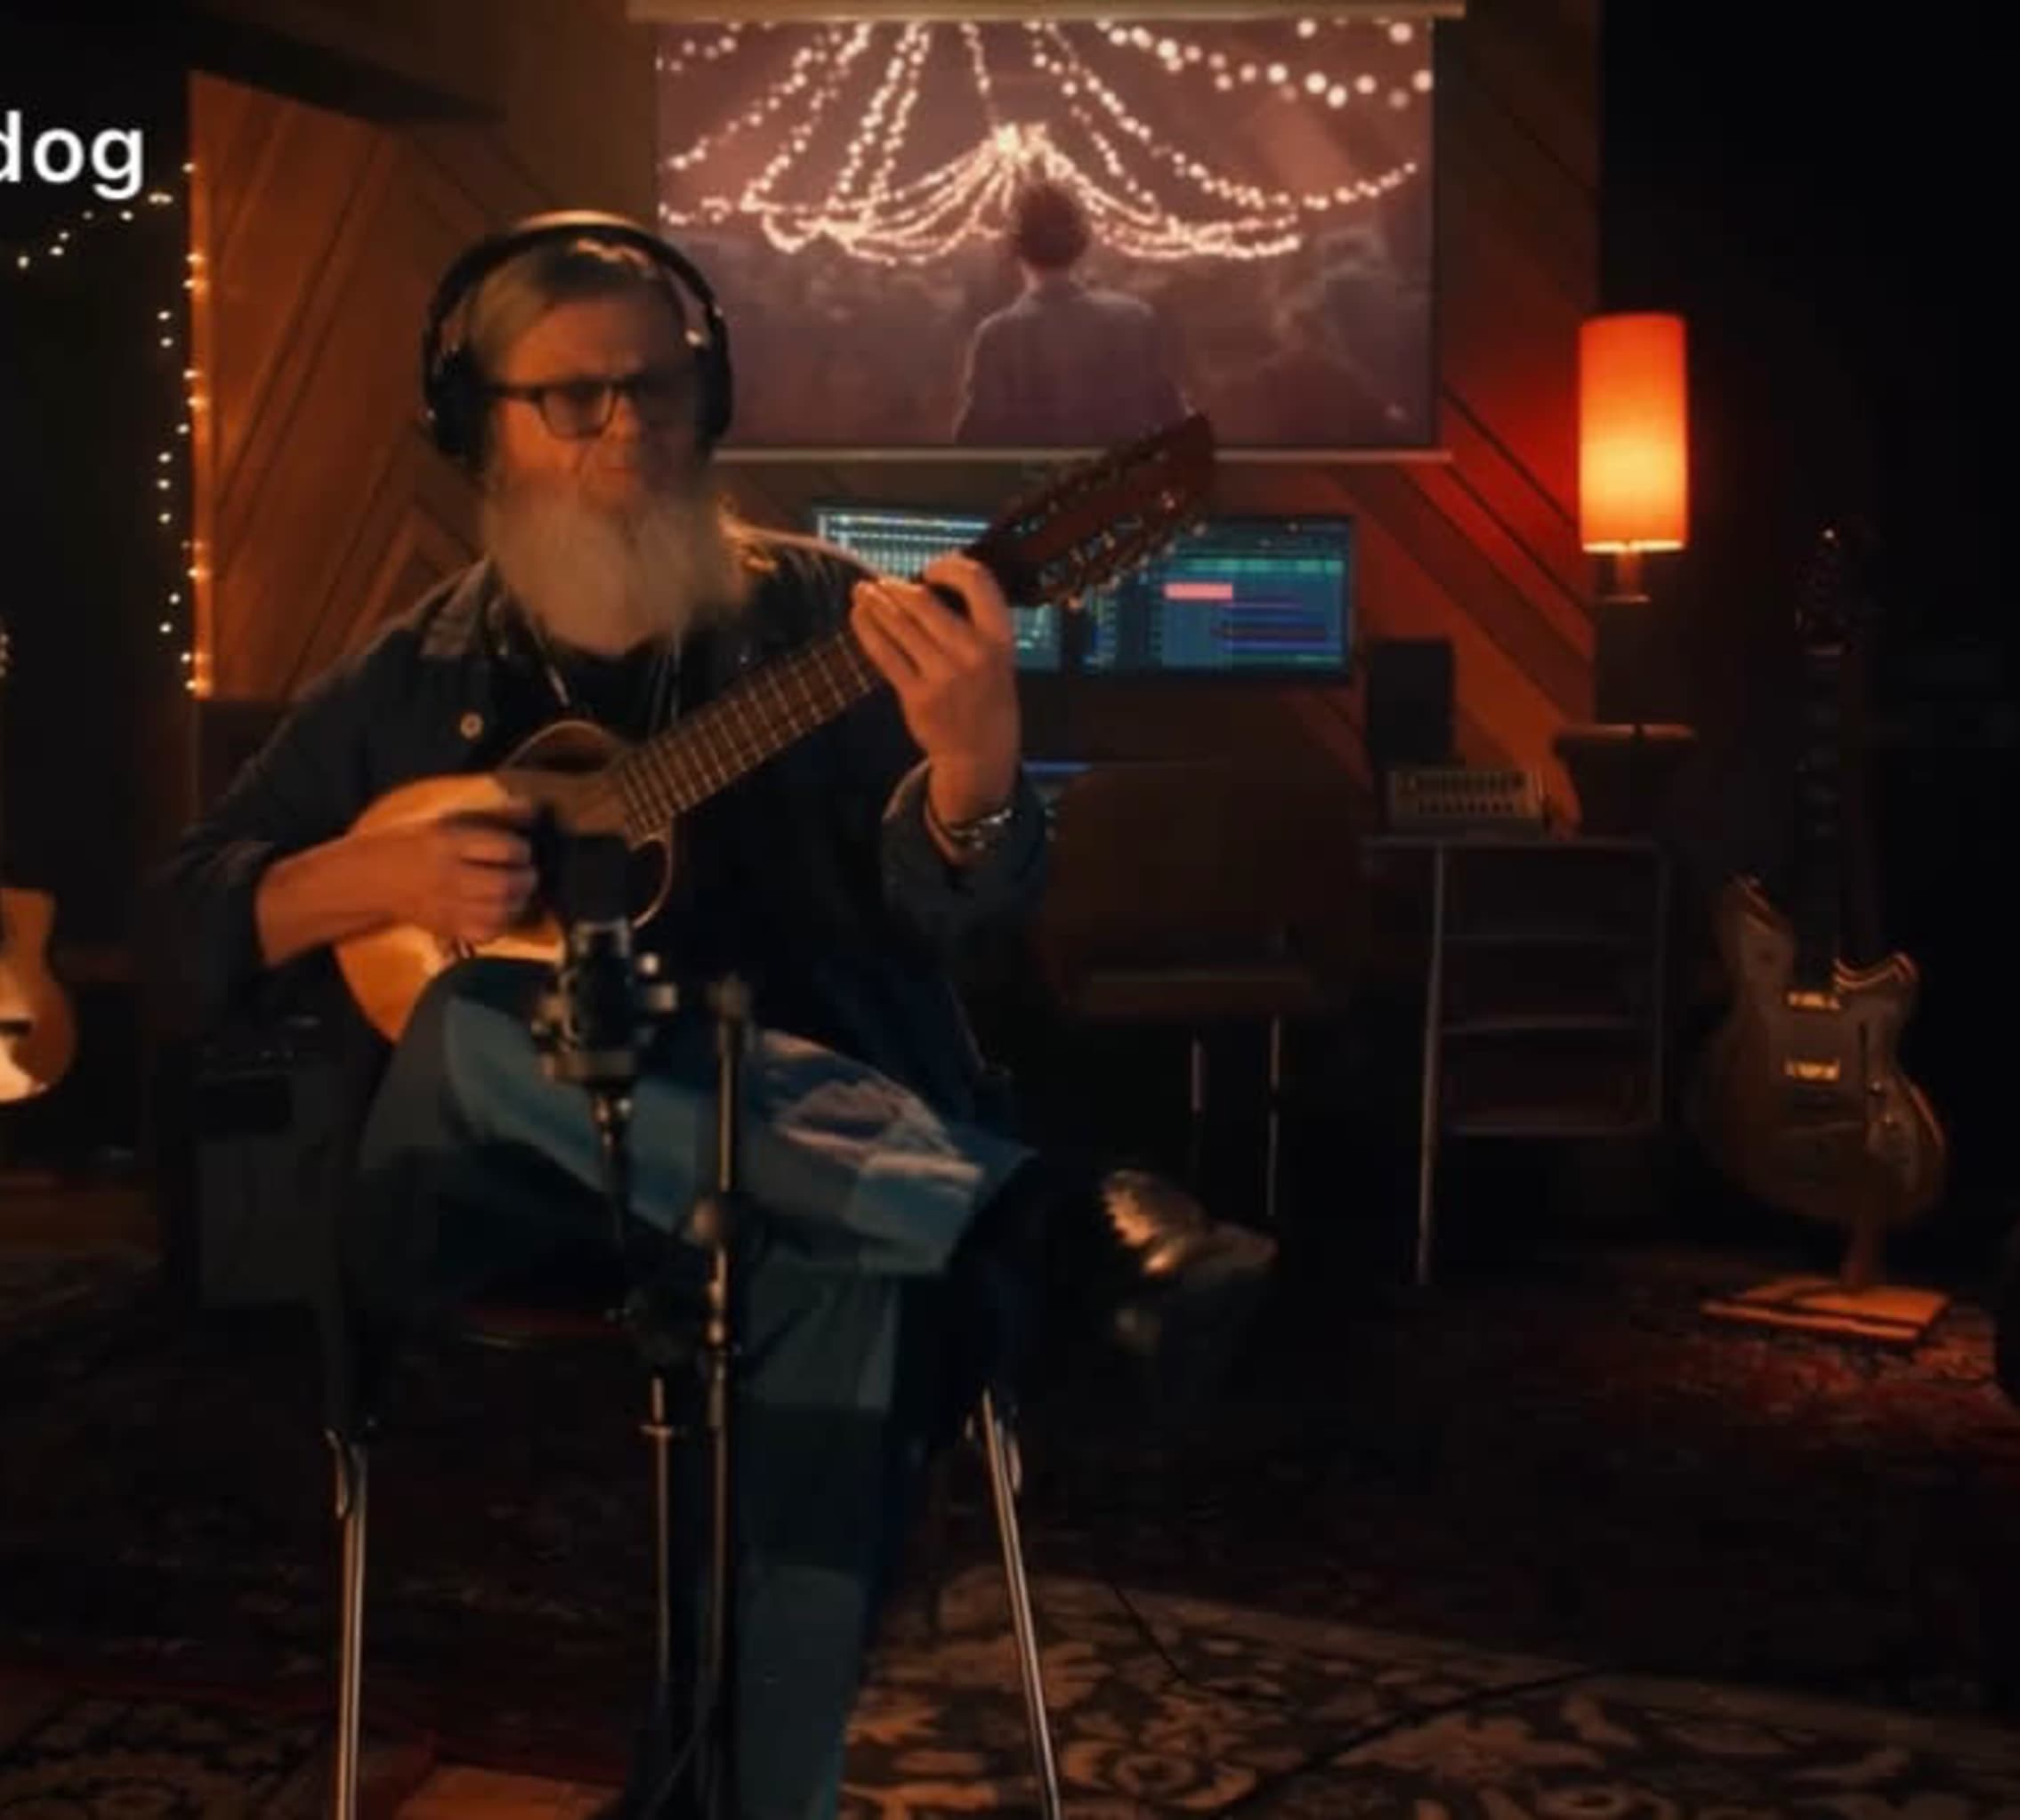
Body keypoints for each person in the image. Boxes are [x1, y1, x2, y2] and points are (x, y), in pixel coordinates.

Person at [150, 213, 1269, 1820]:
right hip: (495, 1195)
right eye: (573, 400)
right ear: (479, 426)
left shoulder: (830, 625)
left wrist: (972, 774)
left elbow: (968, 919)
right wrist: (362, 875)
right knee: (484, 1014)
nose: (628, 433)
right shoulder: (416, 671)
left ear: (712, 396)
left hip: (784, 1187)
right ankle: (1035, 1221)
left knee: (843, 1260)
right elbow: (181, 915)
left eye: (659, 390)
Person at [950, 179, 1191, 448]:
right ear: (1080, 243)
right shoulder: (1135, 320)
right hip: (1126, 486)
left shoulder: (996, 337)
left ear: (1014, 249)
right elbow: (1173, 420)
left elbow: (973, 444)